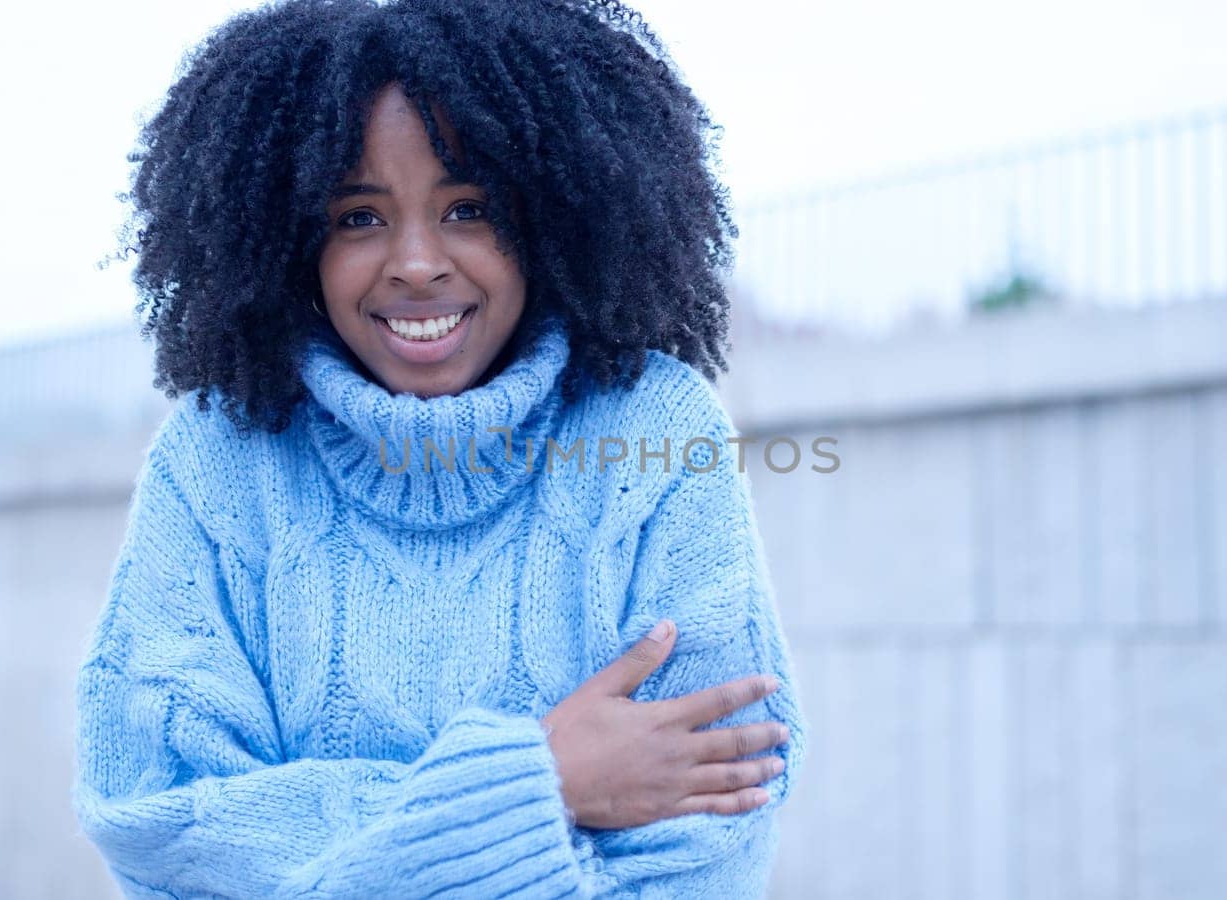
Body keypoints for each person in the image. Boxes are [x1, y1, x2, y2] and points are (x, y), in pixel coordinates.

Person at [71, 0, 808, 896]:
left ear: (553, 214)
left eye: (469, 207)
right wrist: (542, 782)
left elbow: (708, 855)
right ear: (288, 237)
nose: (416, 261)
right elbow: (162, 828)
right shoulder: (219, 458)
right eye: (357, 218)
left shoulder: (653, 435)